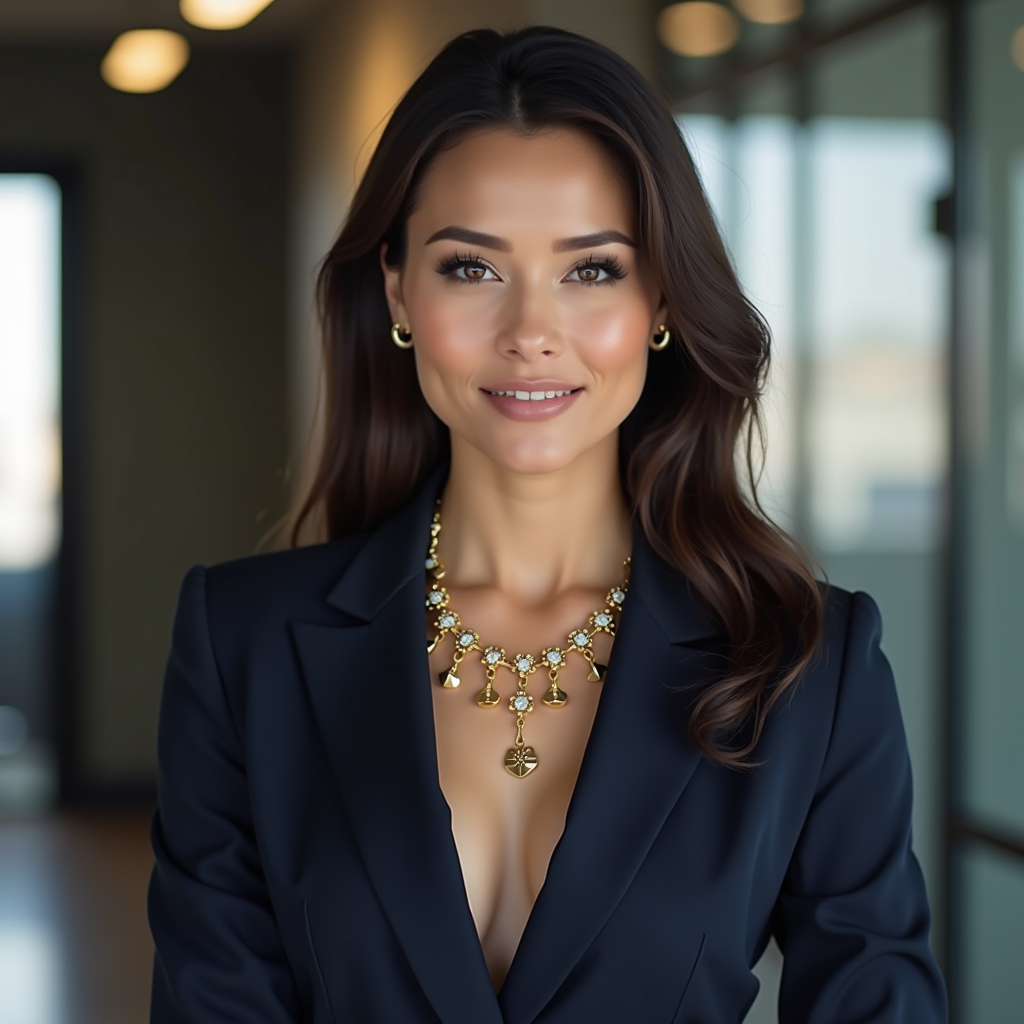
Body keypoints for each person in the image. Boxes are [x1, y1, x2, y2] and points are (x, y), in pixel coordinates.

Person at [147, 25, 947, 1024]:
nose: (530, 330)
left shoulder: (808, 662)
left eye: (592, 269)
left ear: (660, 296)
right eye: (471, 268)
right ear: (397, 287)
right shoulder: (241, 644)